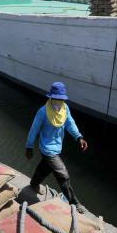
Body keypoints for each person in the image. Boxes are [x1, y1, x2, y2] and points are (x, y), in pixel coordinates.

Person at [25, 82, 89, 213]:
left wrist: (79, 137)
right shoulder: (43, 112)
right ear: (51, 98)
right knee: (63, 175)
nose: (59, 102)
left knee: (45, 168)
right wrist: (29, 146)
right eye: (56, 99)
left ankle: (34, 183)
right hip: (47, 149)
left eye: (61, 99)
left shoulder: (65, 109)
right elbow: (34, 129)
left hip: (57, 147)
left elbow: (70, 123)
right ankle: (74, 202)